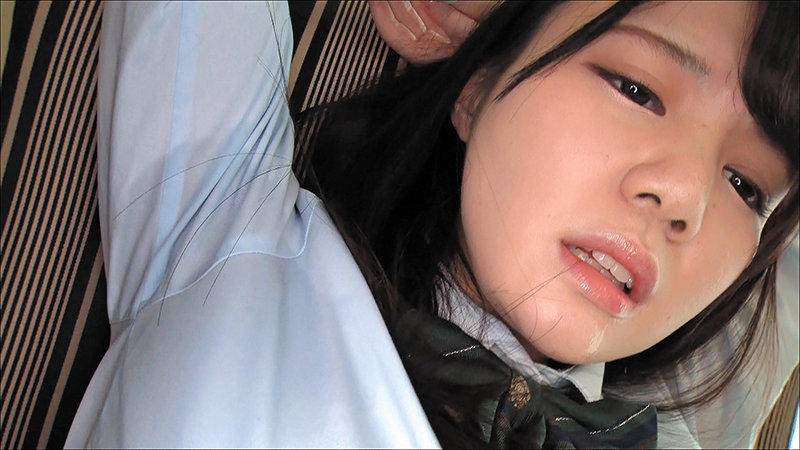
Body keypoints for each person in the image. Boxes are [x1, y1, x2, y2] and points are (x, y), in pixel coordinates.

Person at [65, 1, 798, 448]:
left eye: (746, 186)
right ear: (476, 88)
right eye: (635, 88)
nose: (686, 199)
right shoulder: (228, 233)